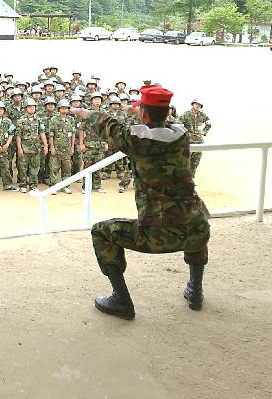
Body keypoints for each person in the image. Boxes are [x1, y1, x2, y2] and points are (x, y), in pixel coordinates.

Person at [71, 85, 210, 320]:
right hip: (198, 228)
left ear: (143, 114)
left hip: (156, 232)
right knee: (191, 218)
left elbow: (106, 123)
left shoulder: (135, 140)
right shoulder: (182, 135)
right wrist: (143, 112)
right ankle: (195, 291)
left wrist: (83, 113)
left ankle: (121, 300)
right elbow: (161, 124)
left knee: (101, 232)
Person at [179, 99, 211, 175]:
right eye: (196, 104)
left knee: (195, 162)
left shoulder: (203, 115)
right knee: (186, 161)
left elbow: (209, 123)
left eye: (199, 105)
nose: (197, 106)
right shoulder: (186, 114)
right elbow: (178, 123)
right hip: (188, 142)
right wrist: (184, 133)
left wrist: (204, 131)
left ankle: (192, 176)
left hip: (199, 142)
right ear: (193, 104)